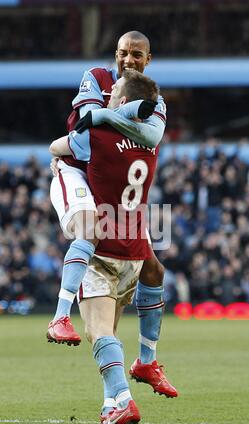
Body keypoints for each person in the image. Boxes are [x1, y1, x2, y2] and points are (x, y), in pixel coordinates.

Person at [47, 30, 178, 399]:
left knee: (151, 267)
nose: (128, 60)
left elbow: (150, 137)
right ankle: (60, 315)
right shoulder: (97, 76)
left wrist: (107, 114)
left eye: (137, 55)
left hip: (114, 186)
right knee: (89, 230)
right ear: (115, 55)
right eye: (123, 53)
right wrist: (123, 115)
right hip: (76, 166)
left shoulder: (154, 96)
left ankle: (138, 369)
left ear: (148, 60)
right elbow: (88, 120)